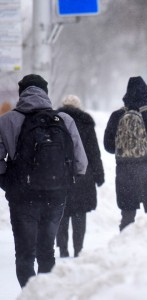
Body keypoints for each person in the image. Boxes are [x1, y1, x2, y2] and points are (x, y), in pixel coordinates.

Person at [0, 74, 88, 287]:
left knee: (25, 253)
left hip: (22, 198)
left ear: (22, 93)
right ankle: (46, 295)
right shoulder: (64, 120)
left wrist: (7, 180)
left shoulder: (7, 121)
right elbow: (81, 162)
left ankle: (29, 295)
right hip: (55, 195)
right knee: (47, 251)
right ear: (46, 93)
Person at [104, 76, 147, 231]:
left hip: (126, 175)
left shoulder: (117, 116)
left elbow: (108, 146)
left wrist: (126, 147)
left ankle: (123, 250)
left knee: (127, 217)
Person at [56, 95, 105, 258]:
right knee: (79, 213)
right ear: (79, 106)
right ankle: (78, 250)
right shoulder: (86, 122)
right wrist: (99, 175)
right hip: (83, 174)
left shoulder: (55, 121)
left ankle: (63, 250)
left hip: (60, 174)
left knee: (61, 213)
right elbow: (93, 152)